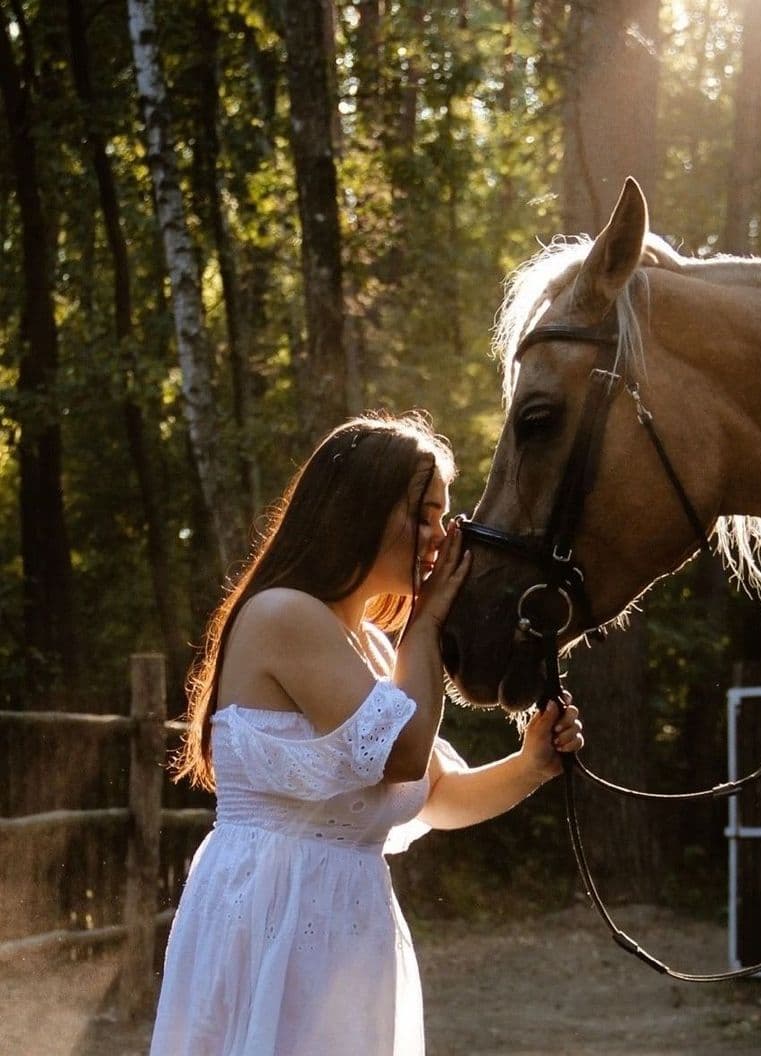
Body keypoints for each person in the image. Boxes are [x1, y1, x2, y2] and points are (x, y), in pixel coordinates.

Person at [149, 412, 583, 1056]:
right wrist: (430, 623)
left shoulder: (375, 651)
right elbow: (404, 757)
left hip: (347, 933)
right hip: (273, 918)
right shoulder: (284, 615)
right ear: (361, 510)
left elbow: (436, 794)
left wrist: (531, 764)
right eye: (426, 513)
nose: (443, 536)